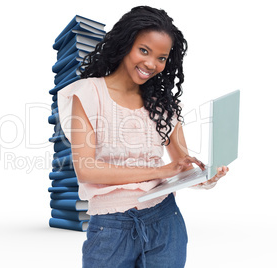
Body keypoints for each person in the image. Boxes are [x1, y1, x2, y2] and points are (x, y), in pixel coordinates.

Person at [57, 5, 229, 268]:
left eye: (162, 57)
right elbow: (87, 170)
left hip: (165, 222)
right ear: (126, 43)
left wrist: (206, 177)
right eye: (144, 50)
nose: (151, 64)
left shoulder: (163, 105)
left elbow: (180, 167)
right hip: (112, 229)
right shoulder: (88, 94)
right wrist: (160, 171)